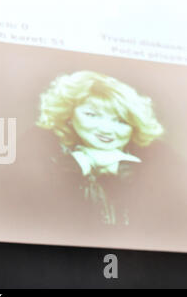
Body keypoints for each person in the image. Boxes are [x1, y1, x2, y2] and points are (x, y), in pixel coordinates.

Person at [34, 70, 165, 225]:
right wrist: (74, 167)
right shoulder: (42, 156)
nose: (106, 129)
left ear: (134, 126)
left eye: (121, 121)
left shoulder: (159, 165)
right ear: (69, 115)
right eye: (92, 115)